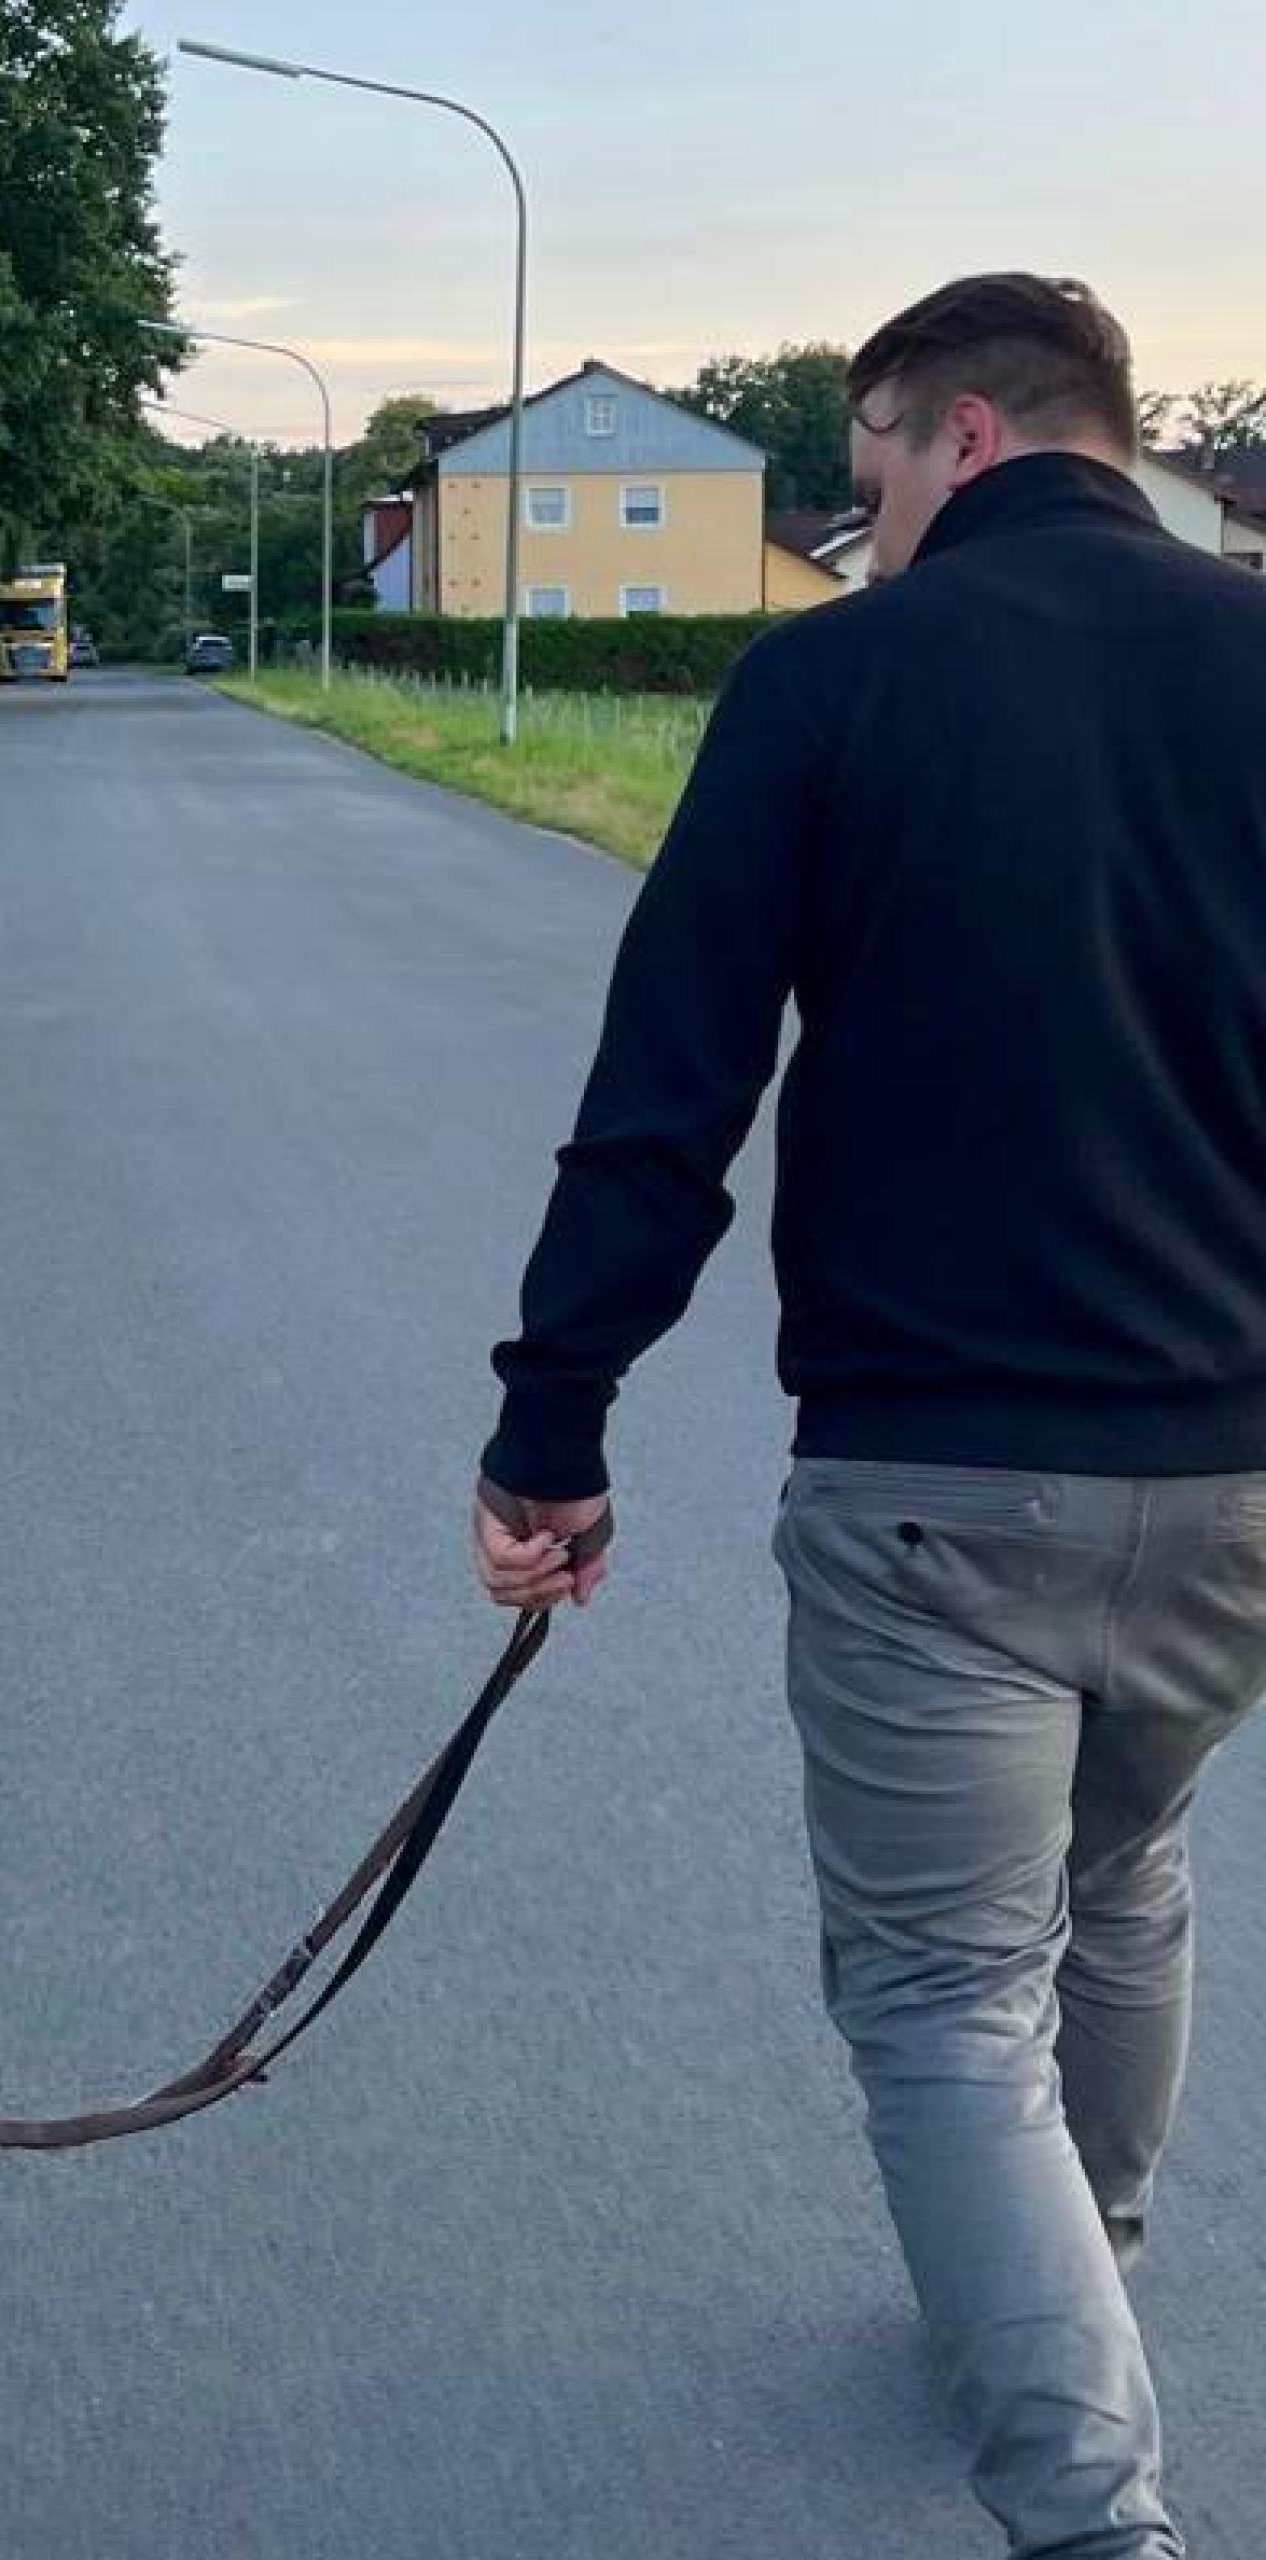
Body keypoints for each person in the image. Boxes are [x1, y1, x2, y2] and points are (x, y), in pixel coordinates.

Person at [472, 272, 1266, 2557]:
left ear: (978, 440)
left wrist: (555, 1429)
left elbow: (669, 1095)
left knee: (939, 1990)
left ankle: (1094, 2506)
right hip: (1235, 1481)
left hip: (940, 1480)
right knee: (1122, 1872)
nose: (863, 519)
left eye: (876, 471)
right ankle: (1076, 2283)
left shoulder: (829, 683)